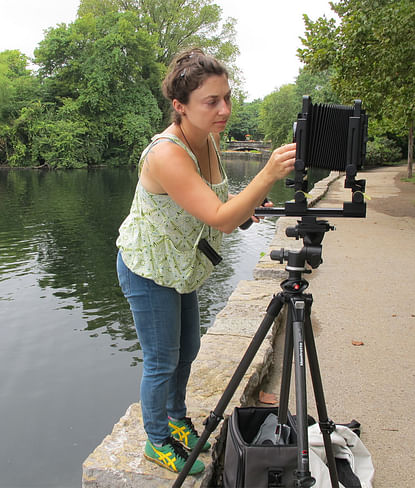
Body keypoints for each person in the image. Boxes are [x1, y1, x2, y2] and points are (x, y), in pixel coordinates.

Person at [116, 48, 296, 475]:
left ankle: (177, 421)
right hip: (149, 269)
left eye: (227, 98)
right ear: (180, 107)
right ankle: (156, 440)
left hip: (182, 266)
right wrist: (265, 175)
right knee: (162, 358)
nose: (224, 110)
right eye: (211, 101)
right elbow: (218, 218)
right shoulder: (167, 154)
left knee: (189, 349)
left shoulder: (209, 140)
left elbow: (221, 206)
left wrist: (247, 203)